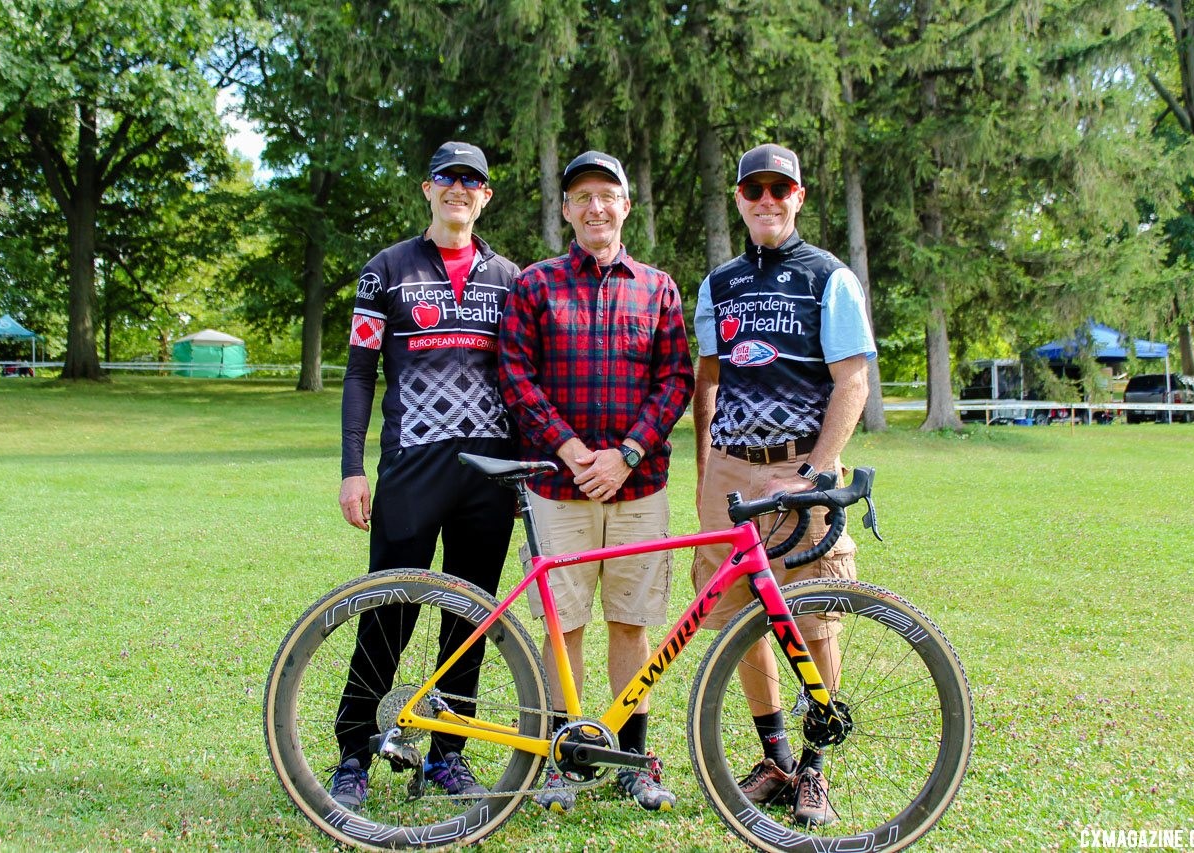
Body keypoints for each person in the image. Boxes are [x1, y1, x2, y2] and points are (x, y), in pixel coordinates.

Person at [498, 150, 695, 813]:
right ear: (565, 211)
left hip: (639, 488)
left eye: (606, 195)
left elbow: (676, 380)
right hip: (558, 485)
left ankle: (631, 757)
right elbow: (517, 376)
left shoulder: (658, 287)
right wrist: (572, 447)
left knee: (632, 623)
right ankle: (567, 755)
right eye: (581, 197)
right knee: (566, 626)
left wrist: (628, 452)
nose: (594, 208)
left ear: (625, 206)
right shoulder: (536, 284)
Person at [690, 143, 876, 828]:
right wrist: (708, 471)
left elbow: (852, 378)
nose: (766, 200)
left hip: (799, 469)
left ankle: (814, 770)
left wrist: (820, 465)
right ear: (739, 199)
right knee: (741, 618)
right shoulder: (720, 282)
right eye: (753, 189)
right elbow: (708, 379)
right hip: (731, 468)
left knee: (814, 616)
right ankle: (773, 758)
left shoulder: (829, 277)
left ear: (798, 196)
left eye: (780, 189)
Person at [330, 141, 520, 808]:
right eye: (448, 179)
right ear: (428, 188)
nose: (459, 190)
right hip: (410, 466)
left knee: (468, 619)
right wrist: (354, 467)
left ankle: (449, 754)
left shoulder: (511, 279)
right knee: (387, 609)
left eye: (472, 181)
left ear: (486, 195)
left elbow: (524, 379)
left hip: (489, 474)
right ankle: (353, 749)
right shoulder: (387, 270)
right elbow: (358, 374)